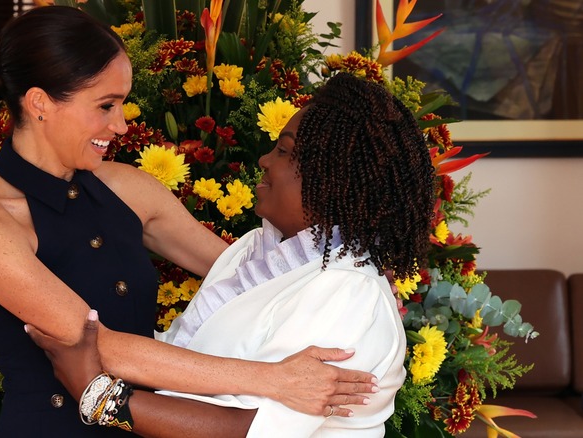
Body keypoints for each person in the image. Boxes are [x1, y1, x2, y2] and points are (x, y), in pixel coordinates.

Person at [0, 6, 378, 437]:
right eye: (105, 105)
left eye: (123, 103)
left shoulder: (126, 187)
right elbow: (101, 347)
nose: (120, 125)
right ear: (40, 103)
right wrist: (276, 380)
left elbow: (252, 279)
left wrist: (357, 284)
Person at [27, 71, 436, 437]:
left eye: (283, 151)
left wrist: (99, 396)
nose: (264, 160)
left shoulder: (348, 294)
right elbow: (187, 364)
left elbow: (251, 431)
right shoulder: (255, 250)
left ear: (334, 181)